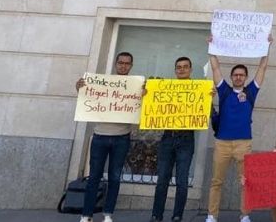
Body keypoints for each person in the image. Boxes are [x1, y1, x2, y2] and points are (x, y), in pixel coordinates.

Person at [205, 34, 273, 222]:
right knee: (216, 181)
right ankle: (212, 215)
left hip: (244, 144)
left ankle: (244, 216)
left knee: (245, 182)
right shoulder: (224, 91)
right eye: (235, 75)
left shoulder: (251, 92)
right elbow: (215, 67)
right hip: (222, 143)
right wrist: (211, 47)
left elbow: (262, 67)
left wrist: (267, 46)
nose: (238, 77)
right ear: (231, 77)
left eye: (241, 75)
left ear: (245, 77)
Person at [75, 52, 136, 222]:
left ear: (131, 66)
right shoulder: (102, 83)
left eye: (127, 63)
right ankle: (86, 215)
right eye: (121, 63)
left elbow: (141, 106)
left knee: (115, 177)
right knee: (94, 176)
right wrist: (79, 87)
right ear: (116, 64)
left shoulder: (135, 86)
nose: (123, 66)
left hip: (122, 137)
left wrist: (144, 93)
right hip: (100, 135)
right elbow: (86, 97)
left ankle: (108, 214)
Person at [150, 57, 200, 222]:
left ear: (190, 70)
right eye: (178, 67)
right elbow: (152, 105)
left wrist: (208, 98)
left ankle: (177, 215)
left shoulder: (198, 90)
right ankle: (156, 215)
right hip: (167, 138)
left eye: (185, 67)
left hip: (186, 139)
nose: (182, 69)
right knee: (162, 179)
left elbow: (208, 112)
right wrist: (148, 93)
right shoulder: (167, 88)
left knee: (182, 181)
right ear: (175, 70)